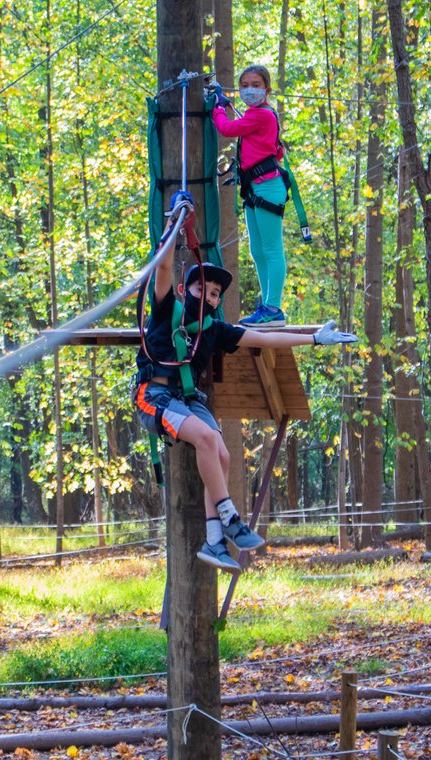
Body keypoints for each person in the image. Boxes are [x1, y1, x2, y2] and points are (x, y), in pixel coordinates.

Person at [134, 201, 356, 573]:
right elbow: (164, 268)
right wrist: (175, 225)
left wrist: (315, 339)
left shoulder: (216, 329)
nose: (211, 296)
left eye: (217, 293)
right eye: (204, 288)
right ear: (188, 289)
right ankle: (230, 518)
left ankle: (214, 542)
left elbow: (264, 339)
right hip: (153, 396)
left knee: (221, 456)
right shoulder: (166, 309)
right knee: (206, 439)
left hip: (187, 399)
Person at [211, 65, 291, 327]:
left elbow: (226, 128)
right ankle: (267, 305)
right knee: (258, 250)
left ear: (266, 89)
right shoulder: (256, 114)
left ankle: (273, 308)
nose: (249, 89)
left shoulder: (264, 115)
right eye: (244, 84)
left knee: (271, 248)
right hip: (255, 188)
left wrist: (217, 108)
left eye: (256, 84)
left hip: (267, 186)